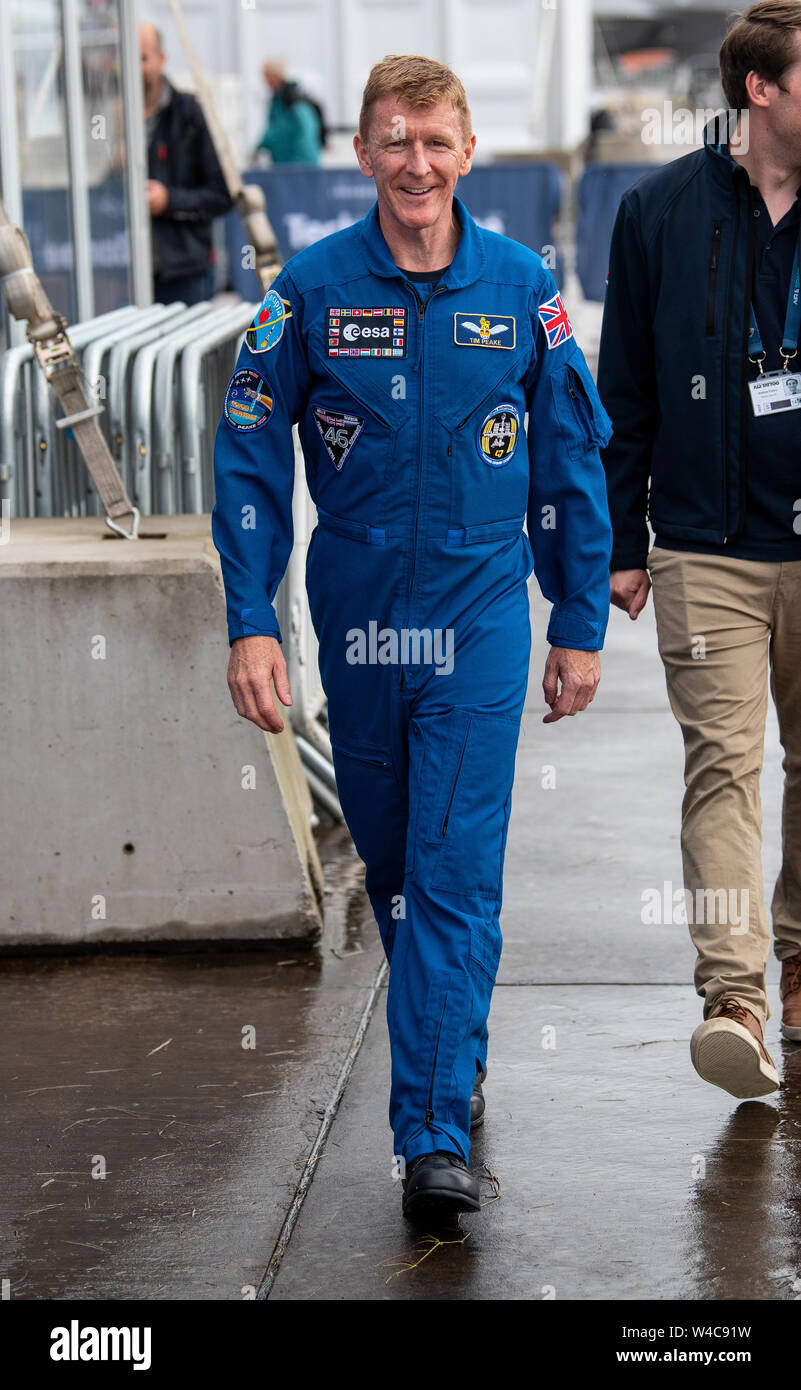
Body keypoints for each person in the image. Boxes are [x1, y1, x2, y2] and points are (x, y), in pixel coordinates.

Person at [212, 54, 613, 1218]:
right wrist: (253, 620)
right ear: (363, 154)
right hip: (361, 617)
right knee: (393, 864)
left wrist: (575, 619)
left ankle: (431, 1130)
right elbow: (247, 457)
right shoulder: (310, 291)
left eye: (437, 141)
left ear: (469, 150)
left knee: (449, 868)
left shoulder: (523, 285)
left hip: (482, 611)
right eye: (395, 140)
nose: (417, 163)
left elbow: (570, 456)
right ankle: (454, 1039)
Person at [597, 0, 801, 1102]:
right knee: (723, 770)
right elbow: (621, 385)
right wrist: (623, 540)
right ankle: (737, 1000)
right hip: (706, 550)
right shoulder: (660, 210)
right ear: (760, 89)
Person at [140, 22, 232, 305]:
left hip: (185, 274)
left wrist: (168, 201)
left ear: (161, 60)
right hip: (124, 273)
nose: (132, 68)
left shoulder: (189, 112)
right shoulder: (105, 117)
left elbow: (222, 194)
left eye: (142, 58)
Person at [255, 60, 323, 165]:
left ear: (275, 76)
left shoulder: (293, 101)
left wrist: (301, 160)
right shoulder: (278, 101)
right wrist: (259, 147)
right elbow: (274, 131)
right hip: (285, 163)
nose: (264, 81)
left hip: (299, 165)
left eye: (267, 76)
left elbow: (306, 131)